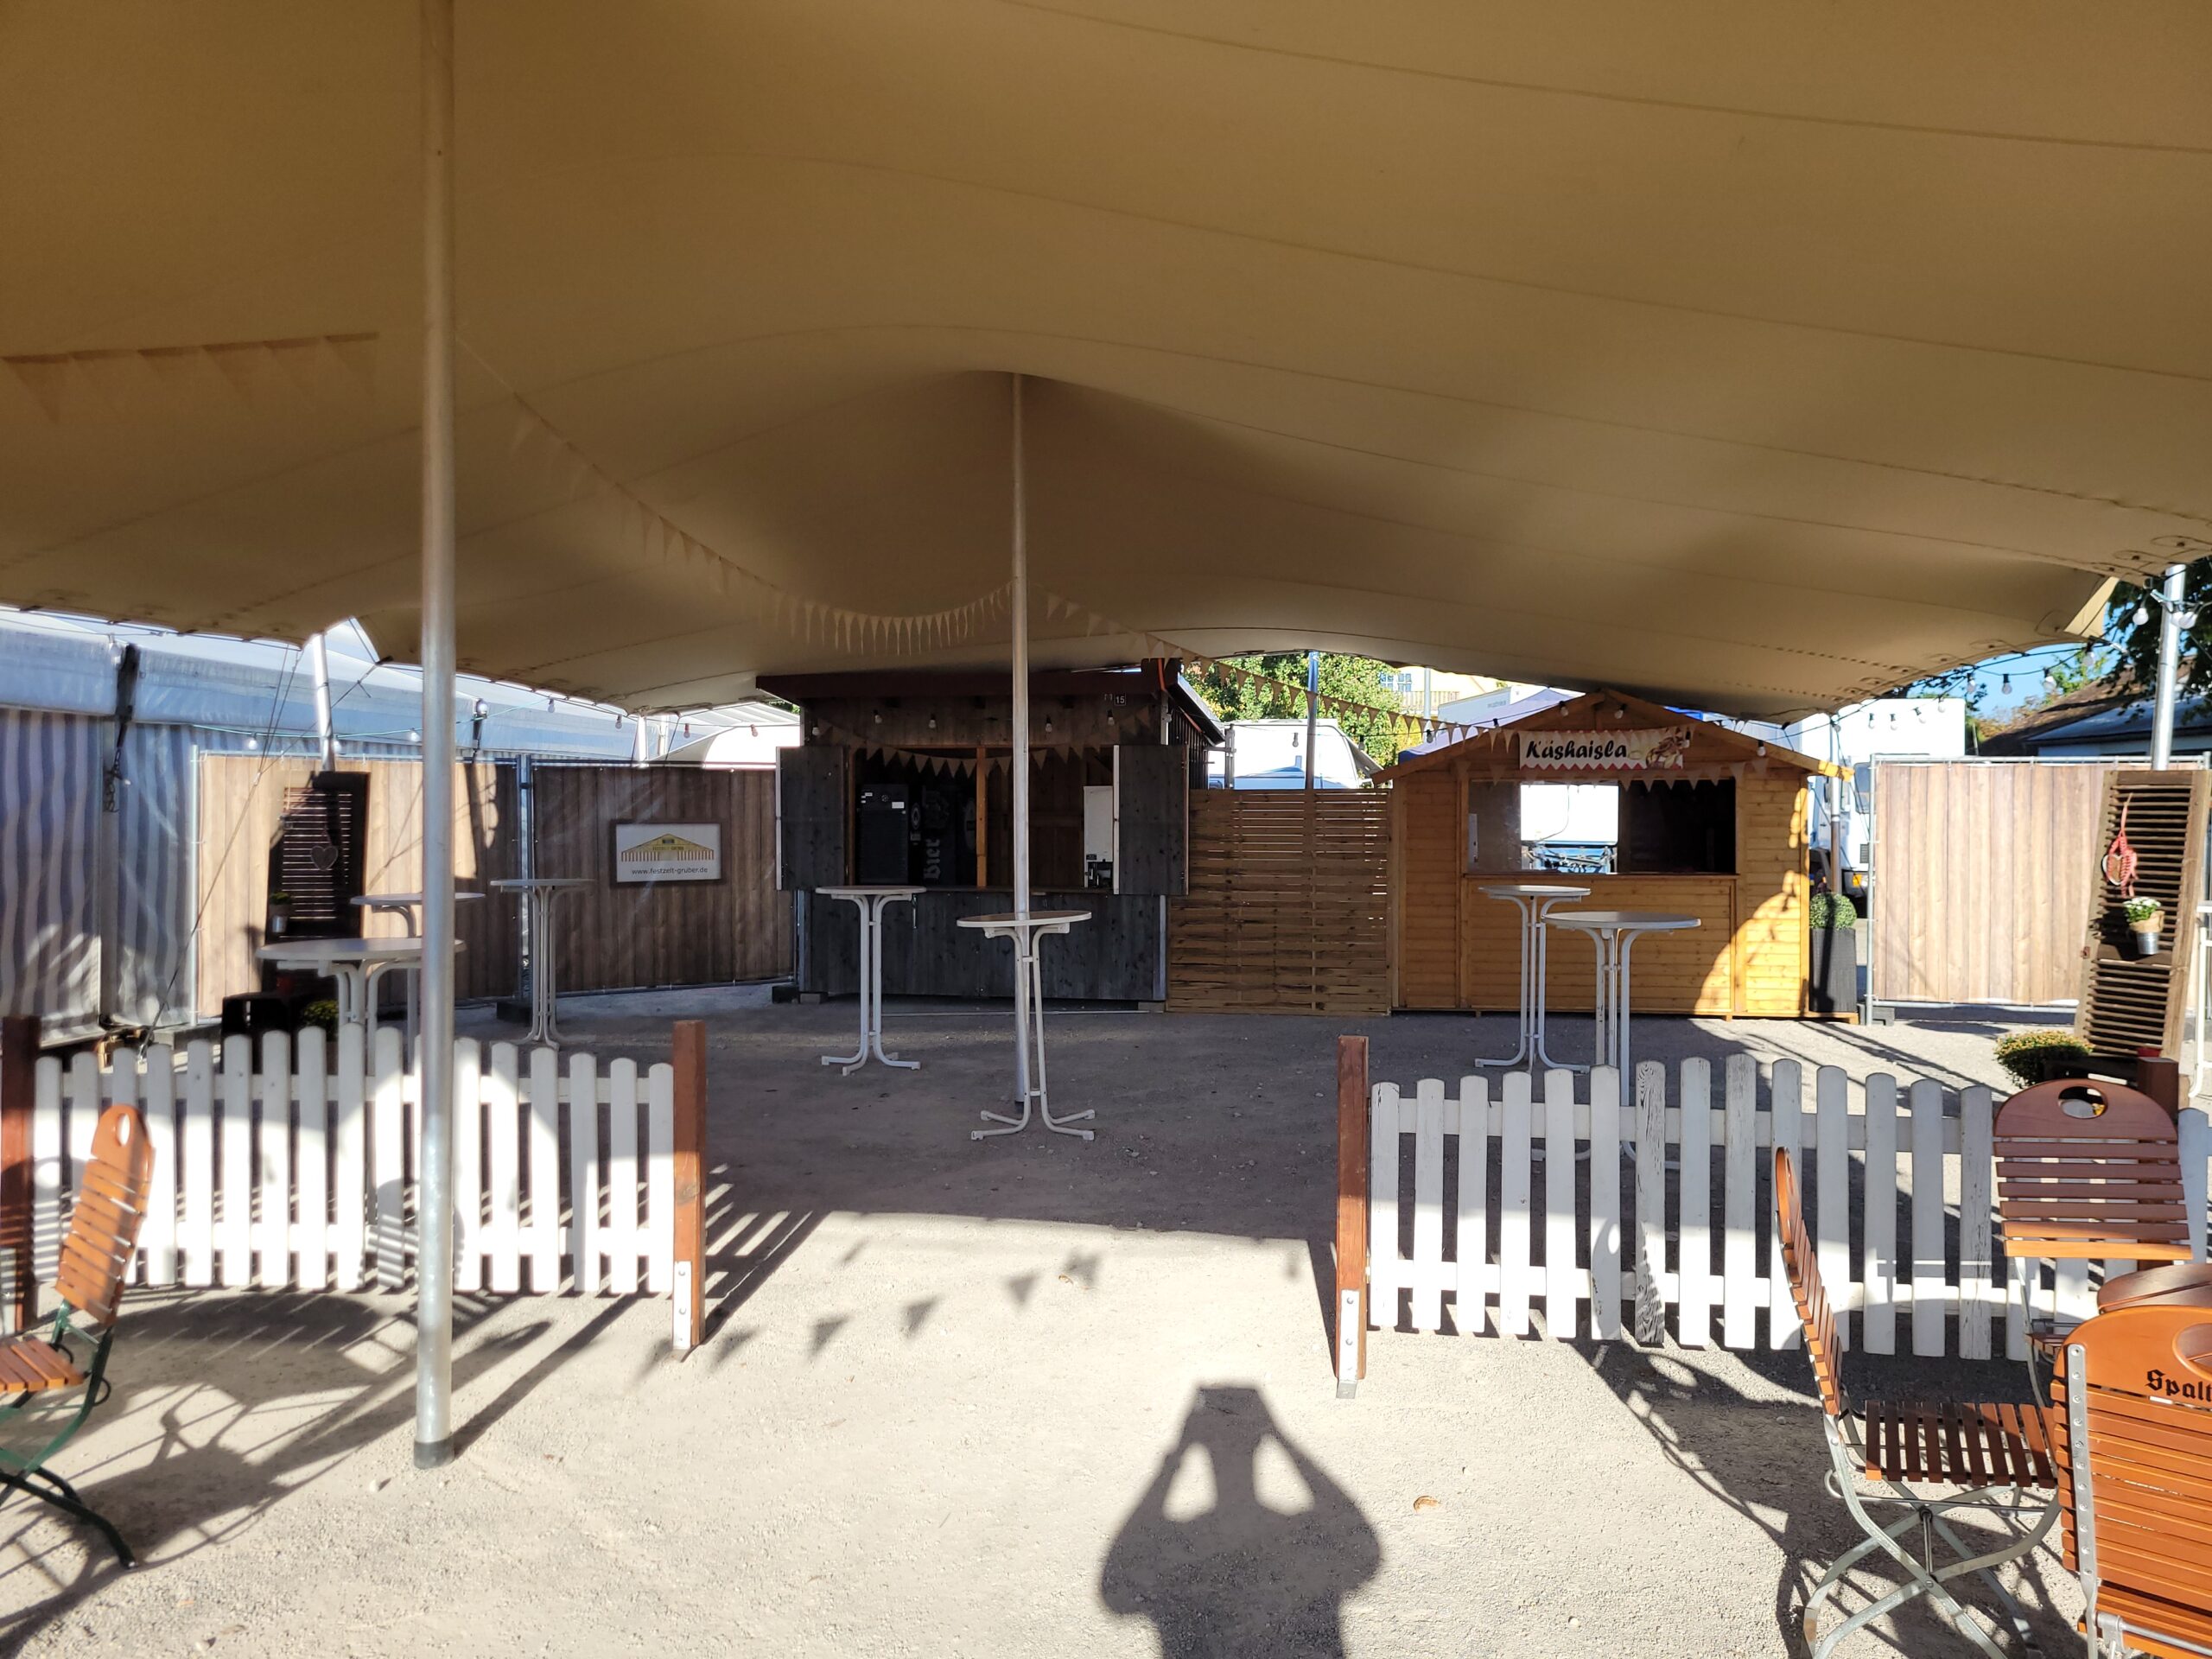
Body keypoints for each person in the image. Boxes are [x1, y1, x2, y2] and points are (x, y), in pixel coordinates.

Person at [1100, 1385, 1379, 1657]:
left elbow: (1116, 1585)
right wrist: (1282, 1440)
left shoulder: (1195, 1541)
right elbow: (1362, 1544)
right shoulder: (1290, 1538)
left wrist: (1176, 1458)